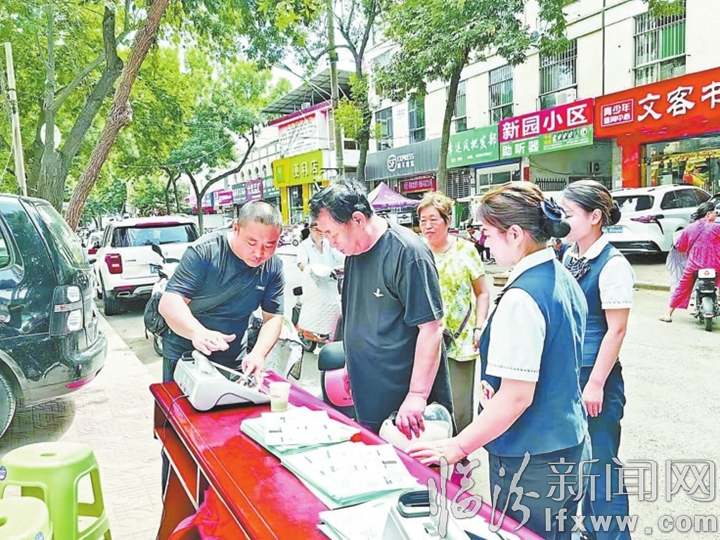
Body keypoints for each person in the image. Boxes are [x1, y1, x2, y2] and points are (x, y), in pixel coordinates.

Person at [407, 183, 590, 540]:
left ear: (516, 234)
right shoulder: (560, 277)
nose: (484, 242)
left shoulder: (523, 297)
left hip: (531, 458)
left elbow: (516, 396)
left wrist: (458, 446)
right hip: (567, 444)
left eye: (488, 233)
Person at [309, 179, 454, 438]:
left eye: (332, 233)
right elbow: (355, 317)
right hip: (368, 393)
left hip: (405, 406)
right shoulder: (354, 255)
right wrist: (349, 366)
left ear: (357, 219)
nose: (330, 243)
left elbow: (432, 329)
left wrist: (417, 395)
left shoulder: (407, 253)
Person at [561, 180, 635, 540]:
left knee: (602, 465)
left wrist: (595, 383)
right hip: (571, 373)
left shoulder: (613, 265)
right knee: (579, 462)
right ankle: (591, 532)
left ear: (594, 217)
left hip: (596, 376)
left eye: (569, 213)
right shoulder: (569, 255)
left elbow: (616, 330)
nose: (563, 220)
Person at [158, 201, 286, 383]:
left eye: (269, 245)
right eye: (252, 243)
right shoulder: (205, 252)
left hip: (233, 359)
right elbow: (170, 302)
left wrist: (258, 354)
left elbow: (273, 317)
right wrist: (197, 332)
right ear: (236, 229)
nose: (259, 253)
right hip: (186, 355)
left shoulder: (273, 266)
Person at [418, 192, 490, 431]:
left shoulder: (466, 250)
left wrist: (479, 327)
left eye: (433, 219)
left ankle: (459, 450)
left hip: (460, 341)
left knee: (459, 408)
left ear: (447, 221)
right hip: (424, 340)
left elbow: (482, 292)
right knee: (426, 404)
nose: (427, 226)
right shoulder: (416, 251)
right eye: (423, 220)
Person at [660, 201, 720, 322]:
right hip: (715, 265)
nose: (716, 214)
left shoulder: (689, 228)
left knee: (682, 287)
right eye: (715, 212)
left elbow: (681, 247)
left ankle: (668, 313)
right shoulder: (716, 227)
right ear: (708, 214)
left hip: (694, 265)